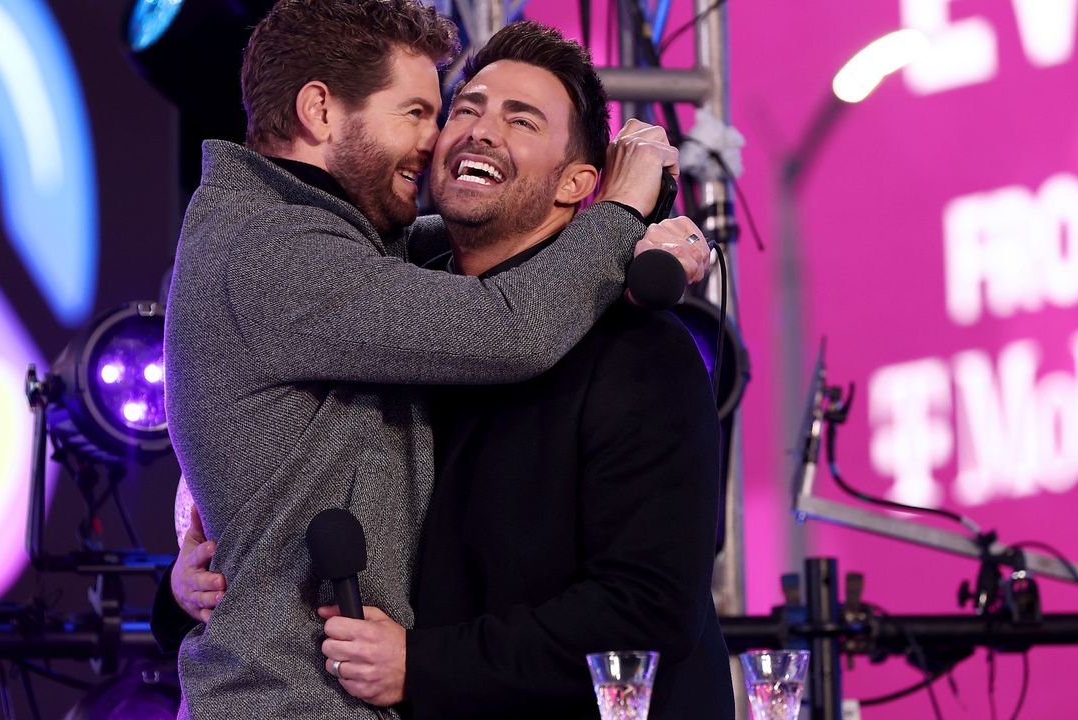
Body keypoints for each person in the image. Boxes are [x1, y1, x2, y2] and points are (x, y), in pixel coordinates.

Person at [162, 17, 729, 720]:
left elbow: (648, 607)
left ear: (576, 179)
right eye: (433, 112)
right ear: (319, 110)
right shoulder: (277, 249)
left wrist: (631, 226)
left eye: (519, 119)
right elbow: (510, 323)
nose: (450, 136)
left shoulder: (637, 352)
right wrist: (618, 215)